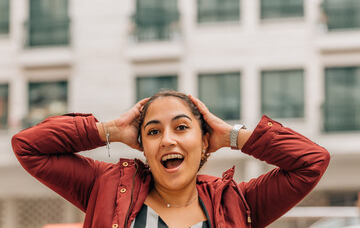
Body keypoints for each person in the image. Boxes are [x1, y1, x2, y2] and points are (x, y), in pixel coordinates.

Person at [12, 90, 330, 228]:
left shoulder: (238, 201)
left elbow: (311, 162)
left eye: (181, 127)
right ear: (142, 146)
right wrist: (111, 130)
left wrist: (230, 135)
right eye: (153, 132)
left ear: (204, 141)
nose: (167, 140)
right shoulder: (105, 186)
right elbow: (29, 147)